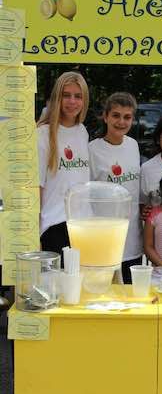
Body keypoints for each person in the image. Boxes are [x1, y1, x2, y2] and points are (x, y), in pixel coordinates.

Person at [89, 92, 142, 283]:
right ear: (106, 117)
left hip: (133, 238)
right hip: (105, 237)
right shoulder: (92, 149)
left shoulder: (133, 145)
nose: (121, 122)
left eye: (127, 117)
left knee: (129, 295)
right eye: (116, 116)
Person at [37, 71, 90, 256]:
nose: (72, 101)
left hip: (83, 224)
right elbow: (38, 187)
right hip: (55, 225)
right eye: (66, 95)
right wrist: (34, 232)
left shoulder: (82, 131)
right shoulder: (42, 134)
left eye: (78, 96)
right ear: (57, 98)